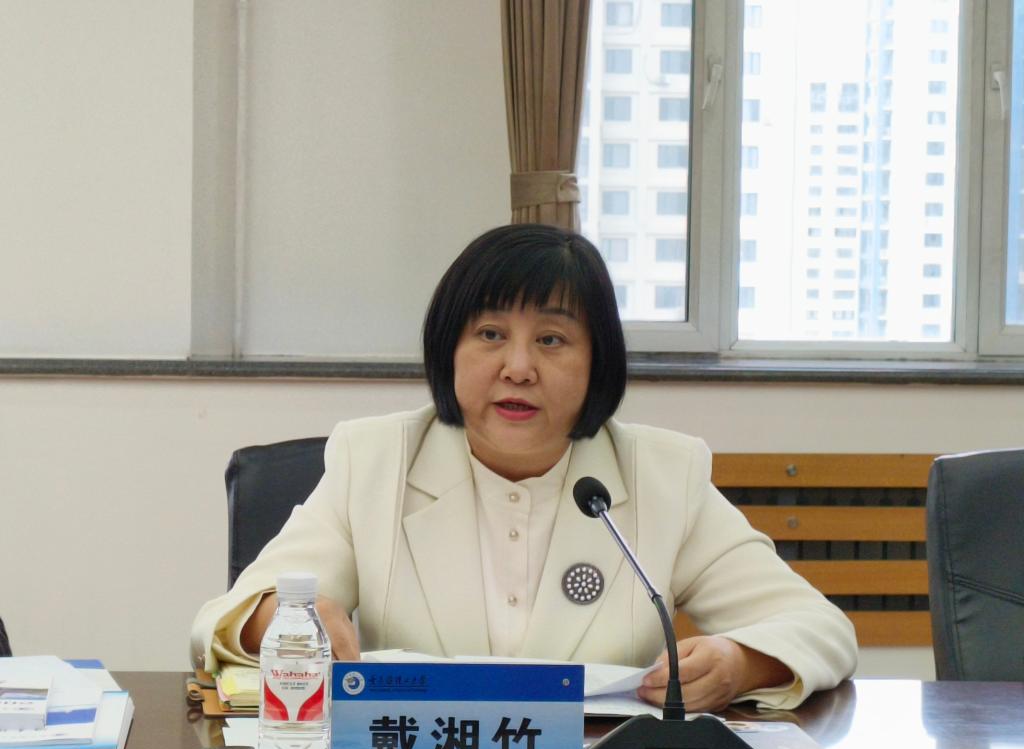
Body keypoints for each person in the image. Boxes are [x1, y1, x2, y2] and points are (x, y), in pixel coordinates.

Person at [191, 223, 857, 712]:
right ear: (449, 349)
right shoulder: (375, 461)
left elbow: (819, 627)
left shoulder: (662, 476)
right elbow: (221, 619)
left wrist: (741, 662)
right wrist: (282, 618)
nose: (518, 367)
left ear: (596, 361)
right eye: (490, 334)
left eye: (551, 339)